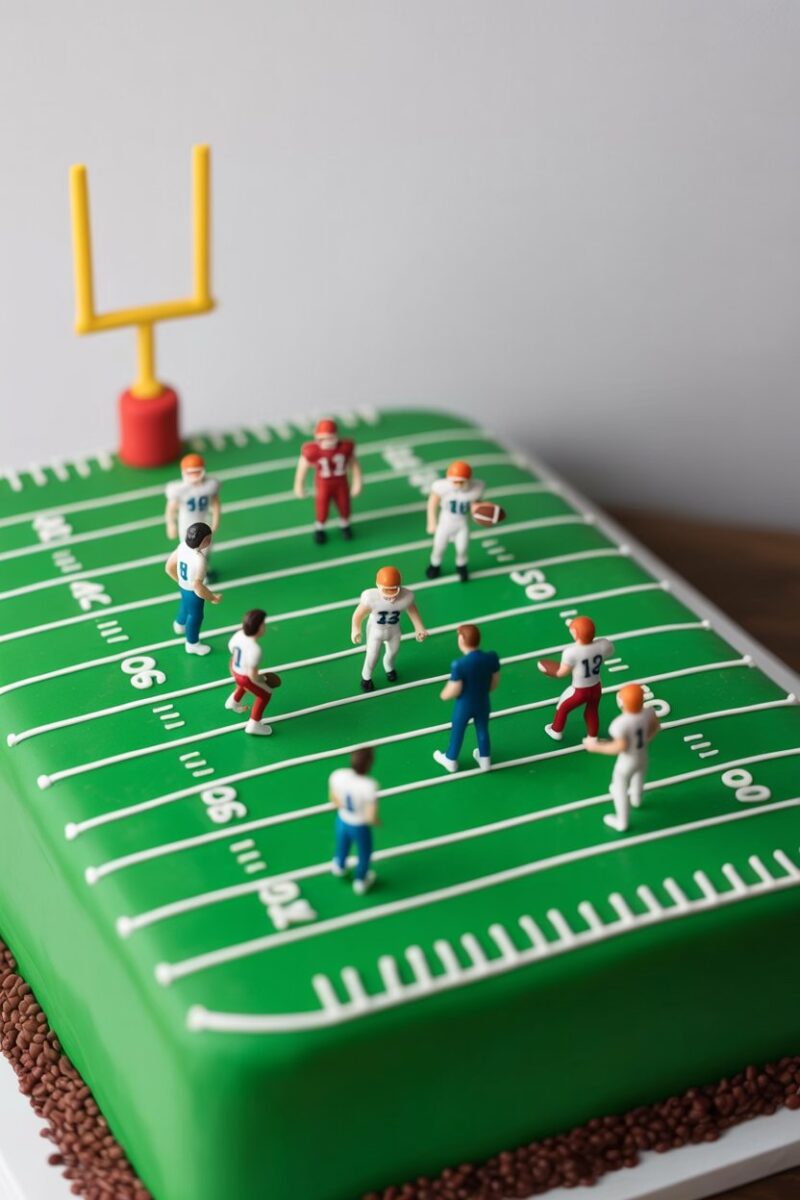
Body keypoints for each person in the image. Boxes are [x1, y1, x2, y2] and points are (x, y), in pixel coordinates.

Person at [583, 683, 661, 833]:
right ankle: (636, 800)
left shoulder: (620, 724)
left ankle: (622, 821)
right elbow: (656, 727)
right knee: (639, 776)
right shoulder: (649, 712)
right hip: (642, 754)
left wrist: (595, 747)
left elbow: (620, 747)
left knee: (618, 786)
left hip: (627, 761)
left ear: (622, 703)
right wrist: (646, 740)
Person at [433, 624, 501, 773]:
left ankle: (451, 759)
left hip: (465, 704)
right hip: (483, 701)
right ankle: (485, 760)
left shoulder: (460, 664)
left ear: (462, 639)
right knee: (482, 729)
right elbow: (495, 680)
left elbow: (454, 688)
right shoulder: (491, 657)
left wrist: (443, 695)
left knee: (458, 730)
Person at [350, 566, 428, 692]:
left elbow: (412, 611)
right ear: (378, 586)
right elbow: (358, 614)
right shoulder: (371, 598)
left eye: (393, 590)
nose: (390, 595)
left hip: (394, 629)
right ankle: (366, 677)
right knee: (372, 655)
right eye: (386, 590)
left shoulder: (406, 596)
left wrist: (419, 627)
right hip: (376, 630)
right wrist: (355, 628)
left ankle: (389, 667)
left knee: (393, 652)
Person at [538, 615, 614, 740]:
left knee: (562, 707)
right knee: (592, 710)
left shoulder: (571, 652)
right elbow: (609, 653)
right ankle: (593, 736)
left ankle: (556, 730)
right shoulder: (603, 644)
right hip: (596, 687)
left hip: (580, 690)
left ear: (575, 633)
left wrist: (548, 670)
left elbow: (561, 673)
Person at [294, 417, 363, 543]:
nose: (327, 442)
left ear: (336, 436)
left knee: (344, 506)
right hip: (323, 484)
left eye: (330, 437)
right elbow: (302, 468)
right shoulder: (312, 451)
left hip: (341, 482)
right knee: (322, 508)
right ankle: (319, 528)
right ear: (317, 438)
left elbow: (354, 465)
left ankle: (345, 525)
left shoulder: (345, 448)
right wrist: (298, 486)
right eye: (323, 439)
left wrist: (357, 483)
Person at [164, 522, 221, 655]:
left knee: (184, 605)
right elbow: (198, 586)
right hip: (193, 592)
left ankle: (179, 624)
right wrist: (212, 597)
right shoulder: (199, 560)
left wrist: (180, 580)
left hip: (183, 587)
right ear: (204, 541)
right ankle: (192, 643)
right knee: (195, 616)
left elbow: (168, 567)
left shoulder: (182, 546)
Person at [329, 747, 380, 895]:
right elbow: (370, 816)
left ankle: (339, 866)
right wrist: (376, 822)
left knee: (342, 843)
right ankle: (361, 880)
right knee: (364, 852)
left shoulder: (338, 775)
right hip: (359, 825)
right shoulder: (369, 786)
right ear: (369, 764)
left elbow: (333, 799)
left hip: (342, 819)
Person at [425, 460, 485, 582]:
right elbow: (432, 503)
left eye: (461, 481)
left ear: (468, 480)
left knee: (462, 548)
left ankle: (461, 566)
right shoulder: (442, 487)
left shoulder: (476, 489)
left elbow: (475, 506)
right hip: (445, 523)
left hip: (462, 524)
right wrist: (432, 522)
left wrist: (482, 514)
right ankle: (434, 565)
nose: (457, 484)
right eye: (455, 481)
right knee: (439, 547)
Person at [225, 609, 274, 736]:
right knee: (265, 694)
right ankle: (254, 724)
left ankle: (233, 701)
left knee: (244, 685)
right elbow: (253, 676)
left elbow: (231, 650)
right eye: (263, 624)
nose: (264, 626)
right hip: (244, 676)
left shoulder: (238, 634)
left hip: (233, 668)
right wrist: (263, 679)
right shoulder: (255, 649)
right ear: (258, 627)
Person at [164, 453, 221, 542]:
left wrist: (216, 521)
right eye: (191, 472)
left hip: (205, 519)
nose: (194, 475)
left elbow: (215, 504)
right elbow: (171, 509)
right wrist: (171, 525)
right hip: (186, 521)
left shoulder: (210, 485)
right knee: (186, 546)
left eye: (197, 472)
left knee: (206, 545)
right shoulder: (179, 489)